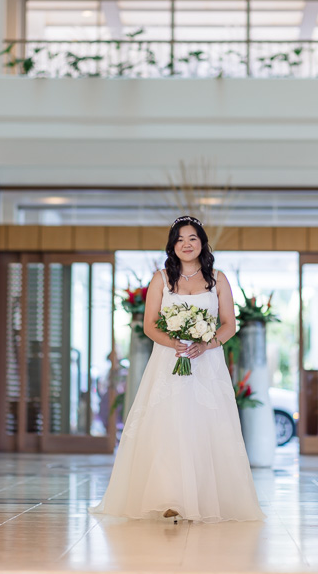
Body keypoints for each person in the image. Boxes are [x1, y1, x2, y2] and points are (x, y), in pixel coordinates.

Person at [90, 216, 265, 523]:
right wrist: (173, 342)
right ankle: (168, 497)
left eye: (193, 238)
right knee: (167, 425)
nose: (187, 244)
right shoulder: (160, 279)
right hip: (168, 363)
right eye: (180, 239)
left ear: (202, 243)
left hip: (207, 363)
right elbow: (148, 326)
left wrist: (207, 344)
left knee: (204, 426)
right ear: (172, 244)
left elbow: (229, 324)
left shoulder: (218, 279)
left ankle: (206, 498)